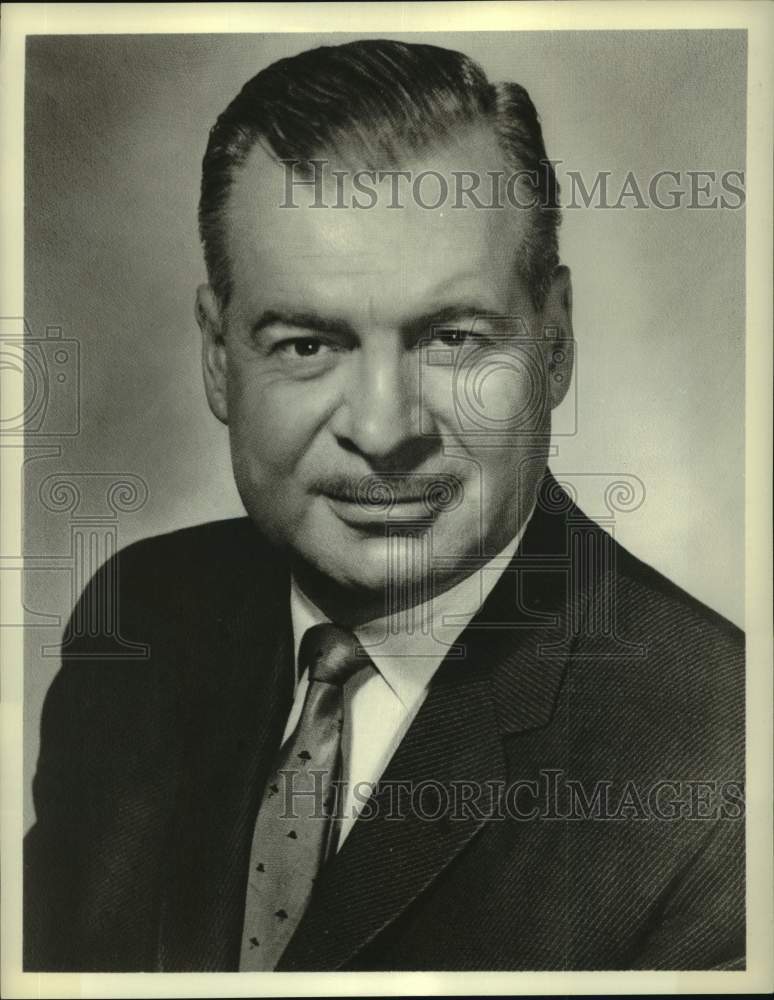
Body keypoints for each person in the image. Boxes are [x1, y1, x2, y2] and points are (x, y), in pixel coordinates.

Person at [24, 39, 744, 972]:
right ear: (218, 357)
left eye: (452, 338)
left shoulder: (725, 765)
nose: (382, 428)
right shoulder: (139, 623)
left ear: (555, 344)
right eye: (306, 345)